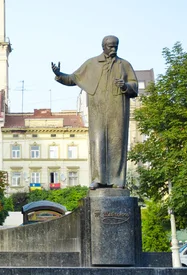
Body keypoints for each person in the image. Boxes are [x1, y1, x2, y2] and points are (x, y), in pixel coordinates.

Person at [51, 35, 138, 189]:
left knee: (117, 143)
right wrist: (59, 75)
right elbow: (73, 79)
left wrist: (125, 86)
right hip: (97, 110)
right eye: (110, 46)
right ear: (103, 46)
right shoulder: (92, 64)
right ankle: (98, 179)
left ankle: (117, 180)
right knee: (98, 143)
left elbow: (134, 86)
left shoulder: (124, 65)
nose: (113, 49)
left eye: (116, 46)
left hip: (117, 109)